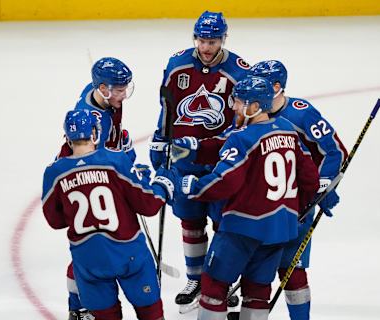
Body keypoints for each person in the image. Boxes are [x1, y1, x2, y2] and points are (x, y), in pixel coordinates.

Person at [172, 60, 348, 320]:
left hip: (258, 216)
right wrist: (199, 148)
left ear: (271, 91)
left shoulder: (298, 114)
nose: (234, 105)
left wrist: (194, 187)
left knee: (288, 270)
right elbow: (231, 141)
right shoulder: (281, 127)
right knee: (258, 288)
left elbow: (334, 152)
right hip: (283, 215)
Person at [148, 10, 250, 309]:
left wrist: (207, 147)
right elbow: (167, 107)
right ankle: (195, 278)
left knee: (224, 224)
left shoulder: (239, 71)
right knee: (190, 220)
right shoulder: (176, 64)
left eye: (213, 41)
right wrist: (160, 138)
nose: (206, 48)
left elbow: (242, 120)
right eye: (202, 40)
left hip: (222, 161)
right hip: (183, 158)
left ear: (223, 39)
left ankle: (220, 280)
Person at [42, 109, 174, 320]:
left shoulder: (54, 172)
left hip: (89, 259)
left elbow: (55, 221)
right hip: (128, 252)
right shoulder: (115, 161)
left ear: (68, 138)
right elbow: (149, 205)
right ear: (95, 133)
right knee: (151, 314)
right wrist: (161, 185)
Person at [57, 57, 138, 319]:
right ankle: (77, 306)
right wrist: (122, 159)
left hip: (93, 176)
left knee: (93, 247)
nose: (124, 95)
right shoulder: (96, 121)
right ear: (103, 89)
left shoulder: (101, 95)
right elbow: (96, 162)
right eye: (120, 89)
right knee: (88, 249)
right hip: (85, 183)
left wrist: (118, 141)